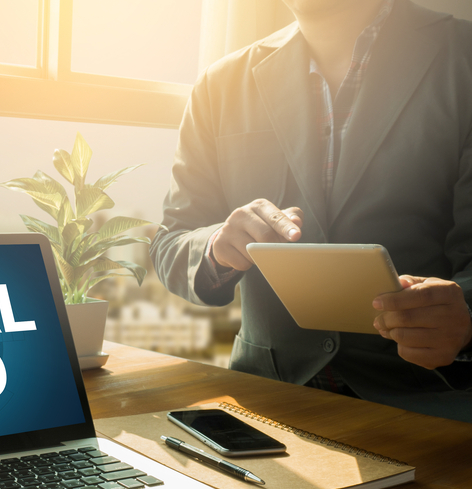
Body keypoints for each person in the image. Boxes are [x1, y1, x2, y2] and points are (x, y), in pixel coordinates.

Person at [150, 0, 472, 422]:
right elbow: (172, 241)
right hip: (265, 401)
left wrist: (465, 318)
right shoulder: (220, 84)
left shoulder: (461, 57)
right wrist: (215, 247)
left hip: (430, 404)